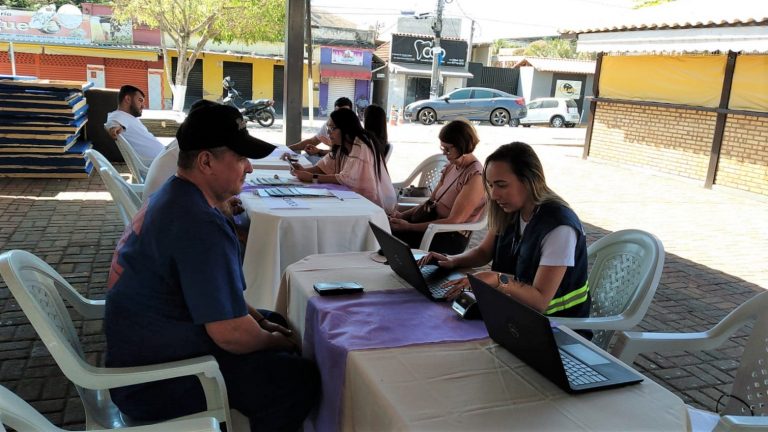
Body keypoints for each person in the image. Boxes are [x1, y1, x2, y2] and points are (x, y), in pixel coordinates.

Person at [104, 104, 320, 431]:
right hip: (155, 381)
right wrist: (277, 341)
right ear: (206, 161)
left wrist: (262, 322)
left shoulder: (175, 196)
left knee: (274, 320)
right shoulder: (200, 224)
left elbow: (217, 295)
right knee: (298, 378)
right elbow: (230, 334)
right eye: (240, 158)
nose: (248, 168)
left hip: (141, 351)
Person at [419, 142, 591, 320]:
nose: (494, 195)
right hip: (513, 312)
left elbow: (540, 301)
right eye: (491, 186)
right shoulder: (511, 210)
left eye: (501, 185)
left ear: (529, 180)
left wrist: (496, 279)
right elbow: (484, 252)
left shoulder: (559, 226)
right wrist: (452, 260)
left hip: (558, 327)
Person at [389, 120, 485, 254]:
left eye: (448, 149)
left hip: (449, 237)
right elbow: (431, 202)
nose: (444, 153)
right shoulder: (451, 166)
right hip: (431, 224)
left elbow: (454, 221)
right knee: (385, 227)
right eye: (442, 148)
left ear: (462, 147)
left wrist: (409, 227)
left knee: (390, 238)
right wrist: (402, 216)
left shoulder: (475, 176)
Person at [290, 108, 397, 214]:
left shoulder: (361, 143)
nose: (328, 133)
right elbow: (324, 167)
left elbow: (346, 178)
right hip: (357, 199)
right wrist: (304, 170)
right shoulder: (342, 144)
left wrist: (311, 177)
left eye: (332, 128)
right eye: (328, 128)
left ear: (345, 128)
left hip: (377, 203)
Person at [106, 85, 164, 166]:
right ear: (128, 99)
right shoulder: (118, 116)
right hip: (157, 164)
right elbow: (112, 123)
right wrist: (113, 128)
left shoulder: (128, 117)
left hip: (162, 159)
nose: (143, 106)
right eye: (140, 100)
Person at [287, 96, 353, 163]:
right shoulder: (329, 124)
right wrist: (287, 148)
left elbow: (344, 154)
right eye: (338, 112)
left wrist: (319, 151)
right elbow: (313, 141)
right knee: (302, 158)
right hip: (332, 160)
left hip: (340, 163)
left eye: (345, 112)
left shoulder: (354, 131)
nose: (329, 132)